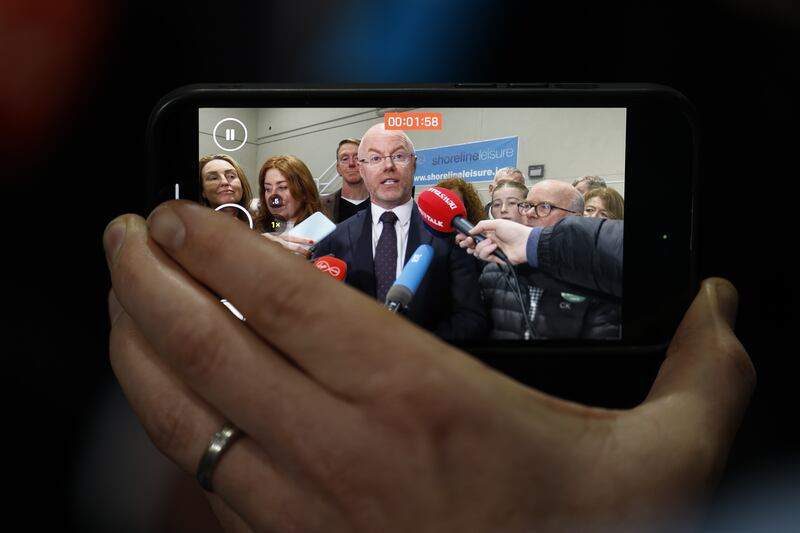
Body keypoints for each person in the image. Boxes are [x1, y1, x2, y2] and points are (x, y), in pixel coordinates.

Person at [103, 201, 755, 532]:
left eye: (395, 157)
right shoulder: (337, 235)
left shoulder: (459, 250)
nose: (380, 168)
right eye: (369, 157)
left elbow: (474, 322)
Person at [312, 123, 487, 341]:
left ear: (414, 164)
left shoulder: (449, 235)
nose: (388, 166)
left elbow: (471, 317)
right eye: (375, 158)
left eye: (399, 156)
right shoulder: (336, 238)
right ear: (362, 169)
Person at [478, 179, 619, 339]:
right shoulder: (496, 268)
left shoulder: (594, 277)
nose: (530, 213)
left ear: (576, 219)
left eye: (545, 207)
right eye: (527, 205)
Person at [255, 155, 327, 255]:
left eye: (283, 187)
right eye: (268, 189)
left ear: (304, 192)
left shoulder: (326, 232)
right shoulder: (253, 230)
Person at [321, 138, 371, 223]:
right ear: (338, 168)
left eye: (357, 158)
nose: (351, 163)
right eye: (345, 159)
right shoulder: (321, 206)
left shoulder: (383, 202)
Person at [198, 154, 255, 224]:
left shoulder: (262, 221)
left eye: (231, 176)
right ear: (203, 191)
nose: (224, 182)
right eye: (214, 178)